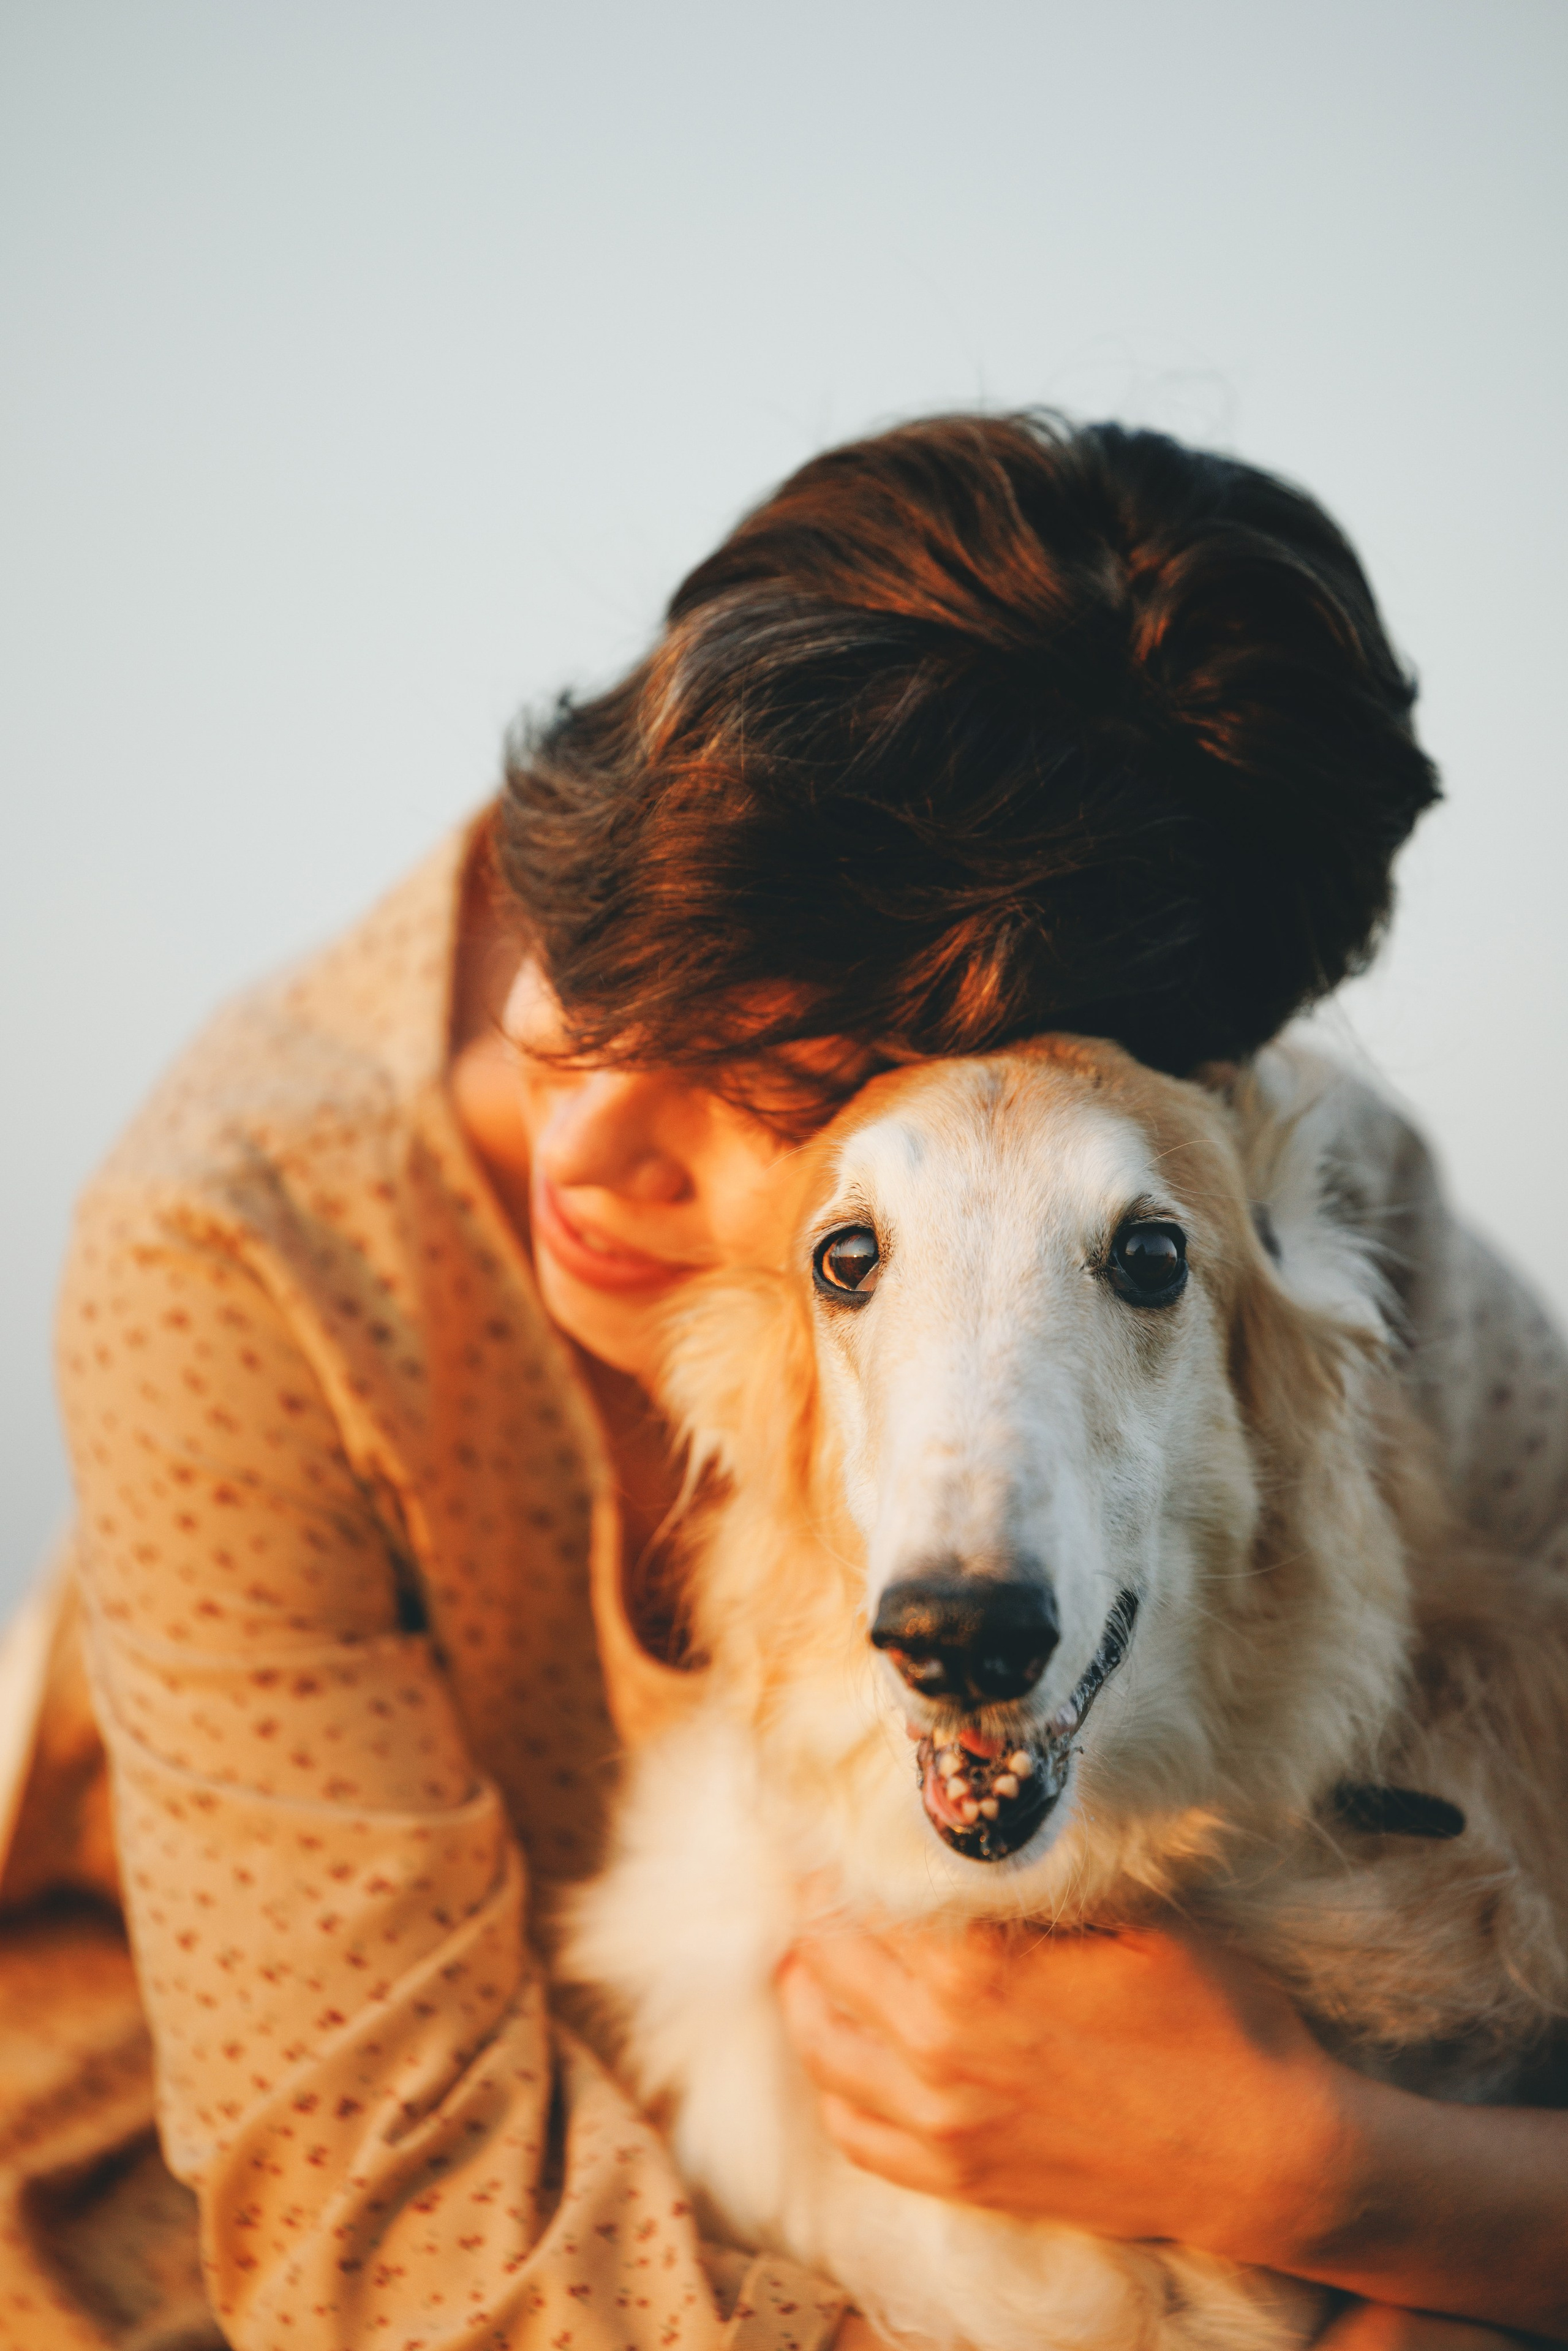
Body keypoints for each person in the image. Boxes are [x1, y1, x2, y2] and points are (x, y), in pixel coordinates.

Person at [1, 412, 1564, 2351]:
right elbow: (391, 2225)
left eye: (778, 1078)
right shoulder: (236, 1252)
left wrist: (1339, 2184)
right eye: (588, 943)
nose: (584, 1145)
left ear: (1093, 1075)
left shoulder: (1259, 1170)